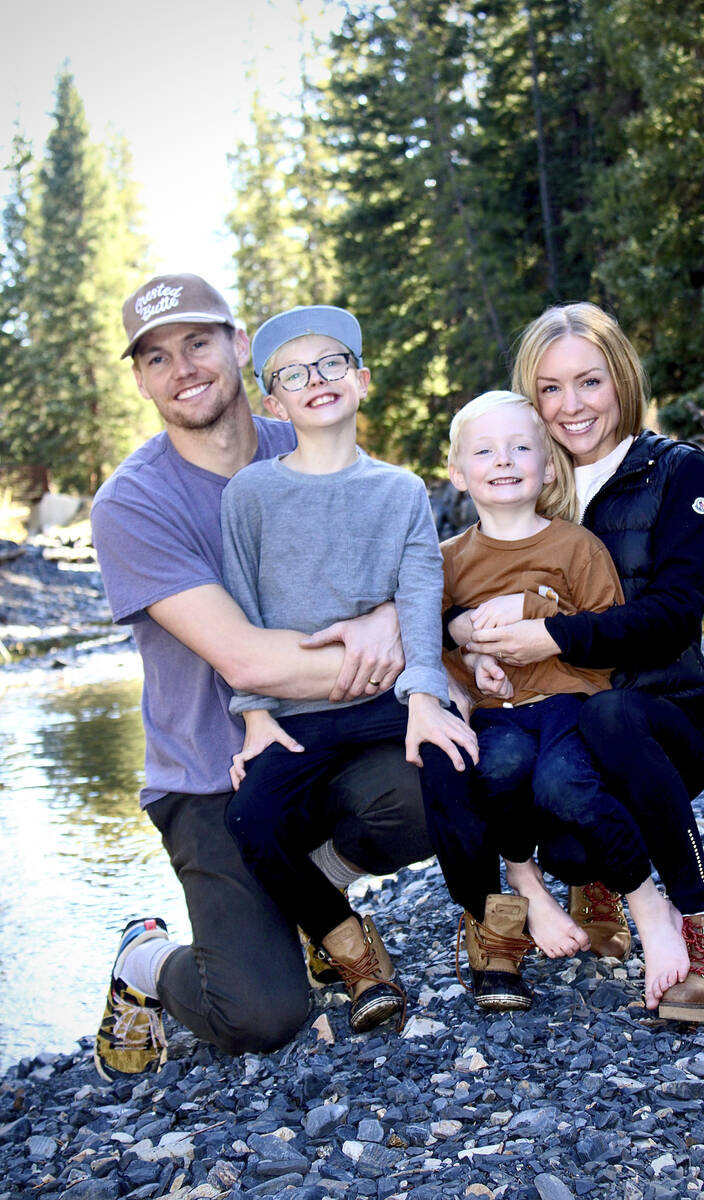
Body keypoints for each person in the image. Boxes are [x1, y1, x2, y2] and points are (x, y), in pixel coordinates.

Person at [89, 274, 435, 1080]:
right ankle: (143, 960)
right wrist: (400, 649)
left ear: (241, 347)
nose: (183, 368)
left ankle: (312, 893)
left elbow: (411, 553)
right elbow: (245, 660)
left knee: (433, 780)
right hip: (211, 775)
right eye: (157, 356)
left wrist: (395, 618)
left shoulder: (306, 436)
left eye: (199, 342)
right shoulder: (133, 504)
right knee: (262, 1016)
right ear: (141, 379)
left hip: (324, 743)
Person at [458, 302, 704, 1022]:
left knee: (612, 717)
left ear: (620, 378)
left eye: (588, 382)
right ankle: (595, 886)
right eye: (550, 389)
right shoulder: (530, 476)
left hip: (660, 720)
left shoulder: (678, 472)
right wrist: (467, 636)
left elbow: (676, 613)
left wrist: (551, 635)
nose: (571, 405)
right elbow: (463, 581)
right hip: (561, 725)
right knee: (559, 826)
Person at [219, 303, 480, 1034]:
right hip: (298, 711)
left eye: (332, 363)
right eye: (293, 374)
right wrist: (257, 717)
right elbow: (239, 606)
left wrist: (428, 695)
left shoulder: (398, 490)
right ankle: (350, 947)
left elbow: (420, 591)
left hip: (382, 699)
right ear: (274, 402)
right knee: (251, 816)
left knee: (453, 755)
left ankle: (491, 933)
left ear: (361, 381)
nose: (317, 380)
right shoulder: (252, 495)